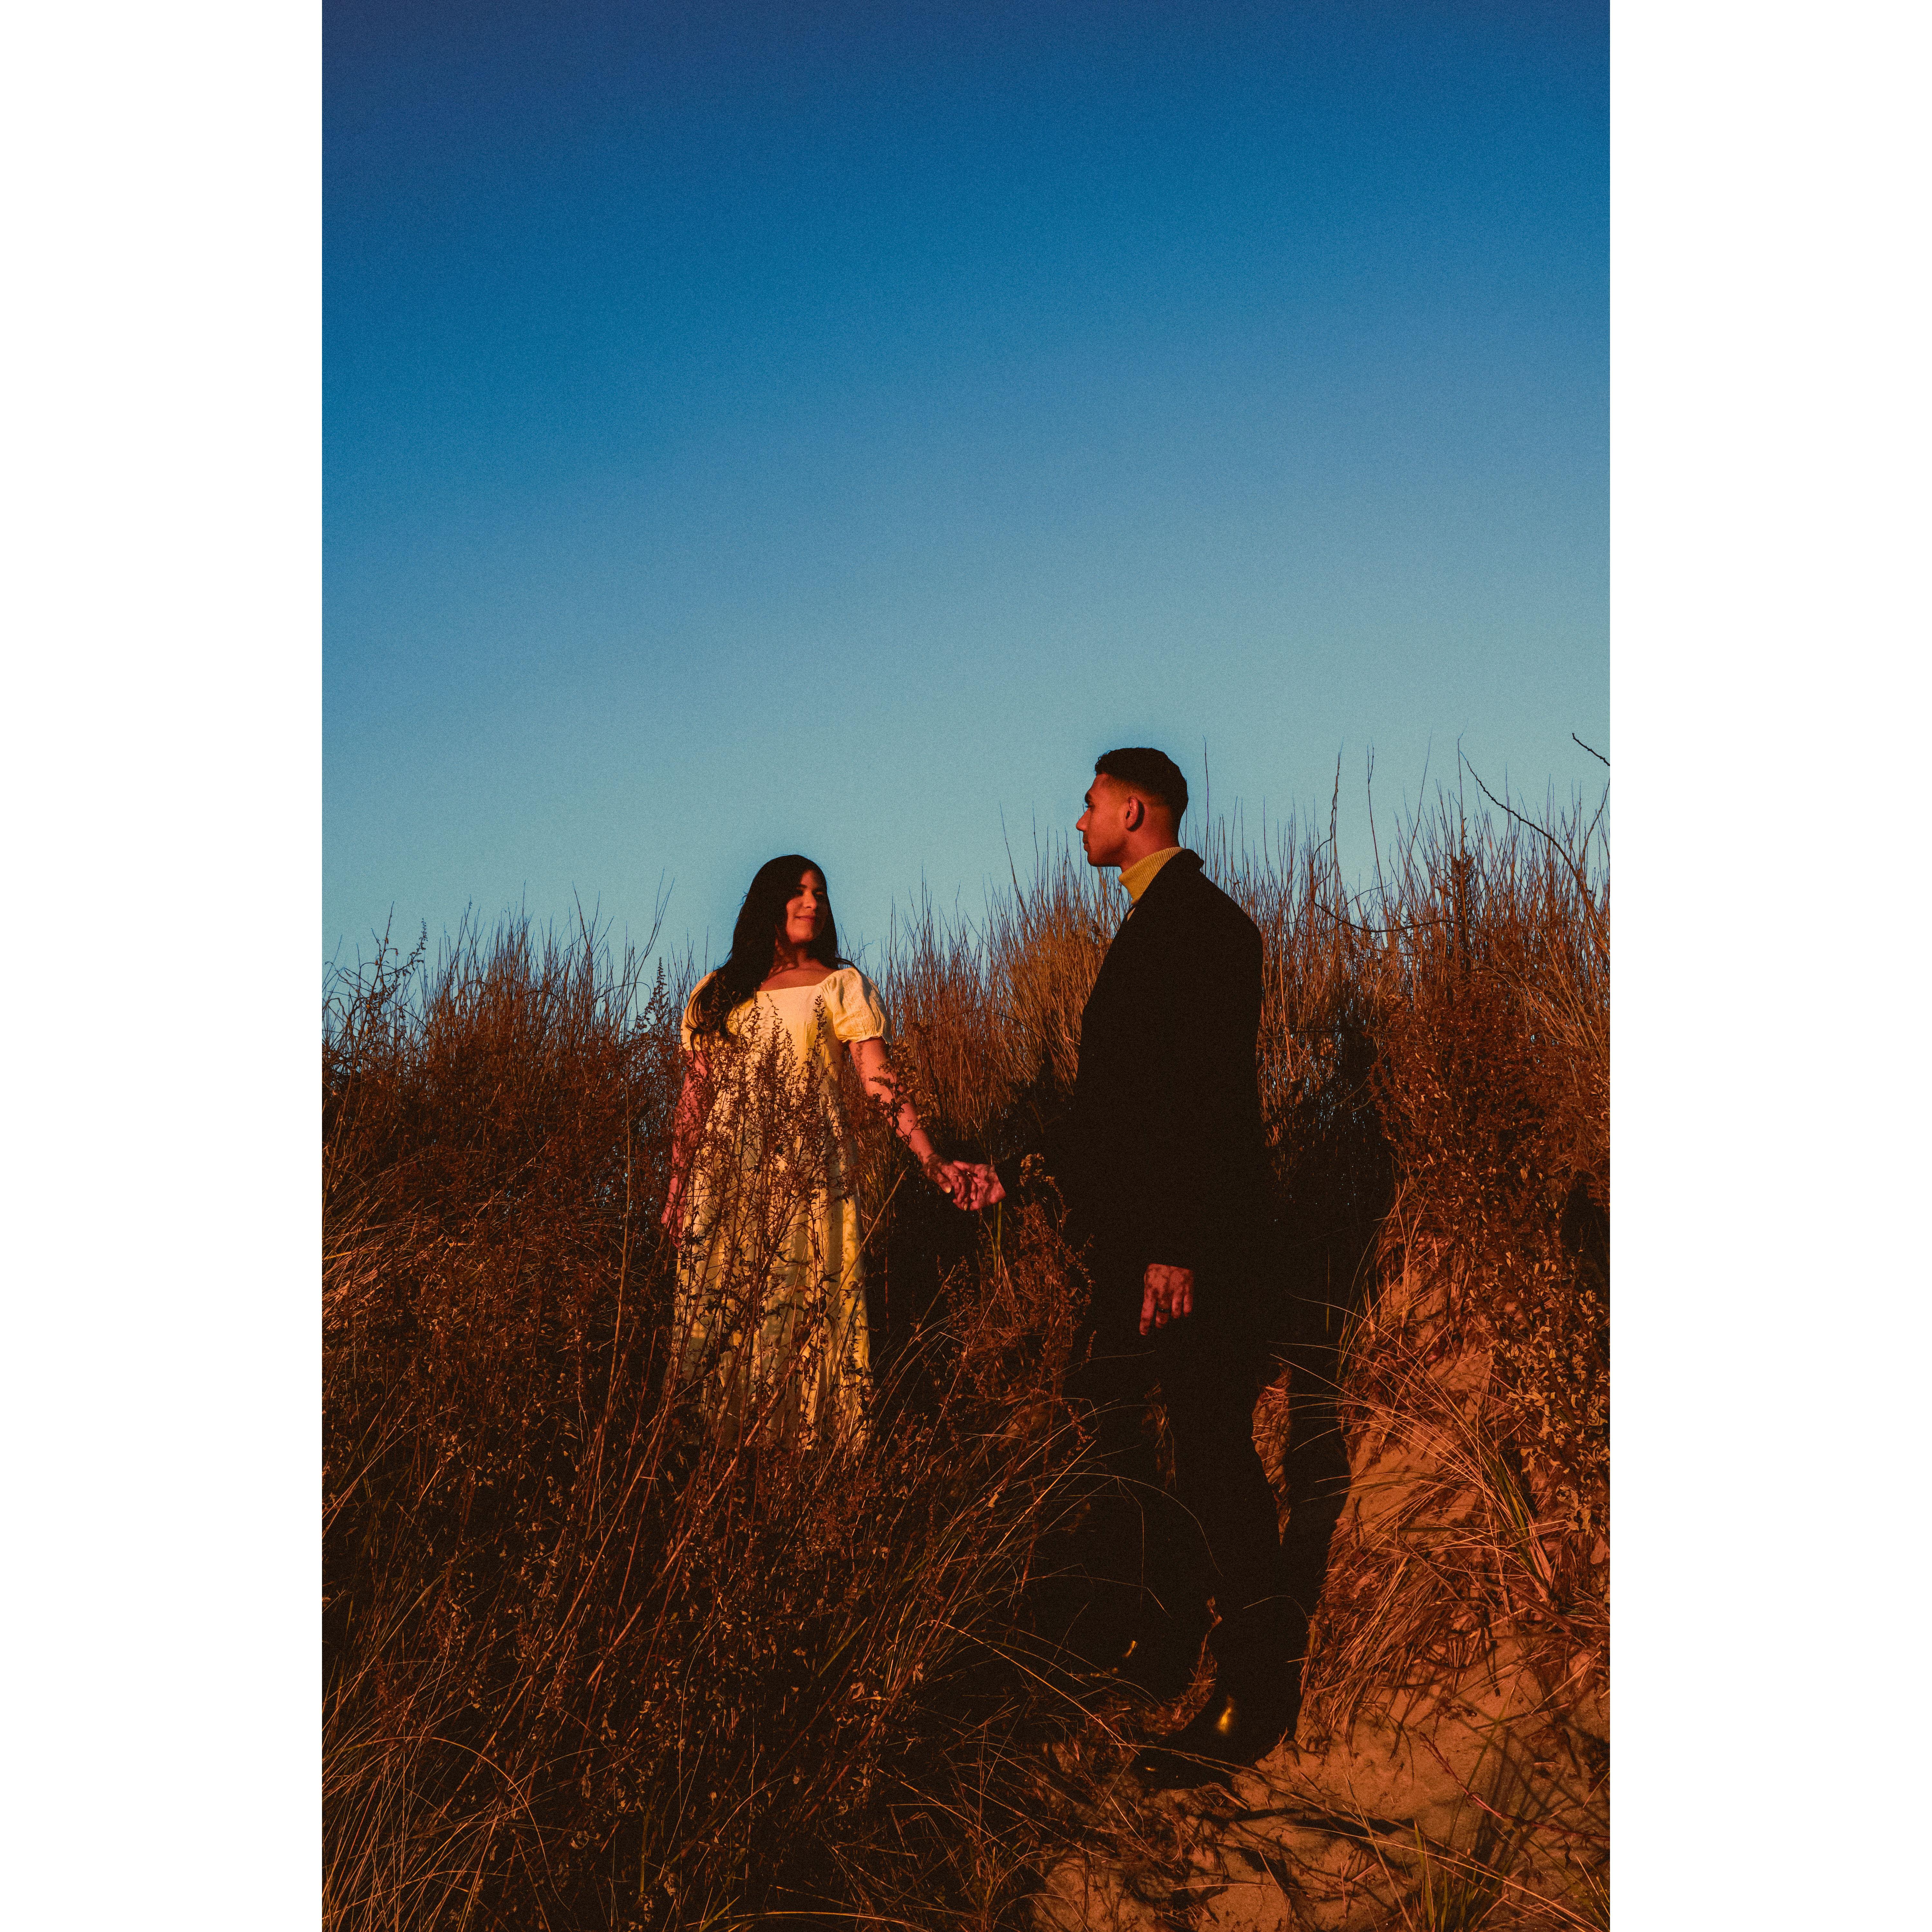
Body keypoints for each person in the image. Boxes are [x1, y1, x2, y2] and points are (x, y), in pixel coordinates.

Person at [990, 747, 1294, 1784]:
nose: (1078, 823)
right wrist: (1016, 1172)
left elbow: (1207, 1100)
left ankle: (1255, 1692)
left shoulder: (1205, 925)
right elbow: (1119, 1109)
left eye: (1088, 806)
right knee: (1123, 1429)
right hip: (1137, 1246)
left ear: (1133, 810)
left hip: (1192, 1246)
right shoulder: (1149, 925)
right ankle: (1164, 1641)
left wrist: (1177, 1246)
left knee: (1211, 1452)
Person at [662, 855, 988, 1442]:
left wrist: (930, 1157)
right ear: (769, 902)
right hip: (725, 1177)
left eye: (821, 892)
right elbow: (694, 1100)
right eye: (798, 891)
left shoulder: (840, 985)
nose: (812, 903)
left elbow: (879, 1081)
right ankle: (715, 1464)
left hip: (810, 1173)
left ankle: (807, 1459)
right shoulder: (718, 992)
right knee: (719, 1314)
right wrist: (676, 1189)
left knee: (804, 1306)